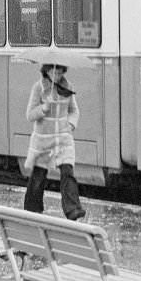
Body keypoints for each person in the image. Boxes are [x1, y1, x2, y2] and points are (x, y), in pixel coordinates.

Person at [23, 63, 86, 220]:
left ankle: (73, 210)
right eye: (53, 72)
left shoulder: (68, 87)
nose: (56, 76)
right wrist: (44, 108)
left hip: (63, 139)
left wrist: (70, 124)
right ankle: (32, 209)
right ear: (47, 71)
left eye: (59, 72)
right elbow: (30, 115)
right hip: (43, 140)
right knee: (38, 176)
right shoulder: (38, 88)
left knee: (67, 172)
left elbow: (74, 110)